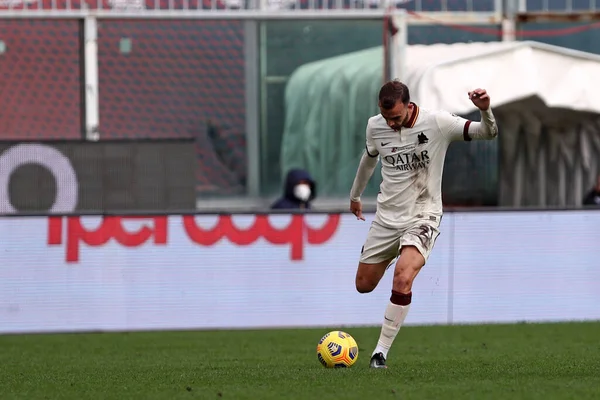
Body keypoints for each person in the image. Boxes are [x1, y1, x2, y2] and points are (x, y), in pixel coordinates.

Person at [349, 80, 498, 369]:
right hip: (387, 218)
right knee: (363, 285)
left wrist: (486, 110)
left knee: (403, 279)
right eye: (386, 117)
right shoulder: (375, 126)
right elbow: (368, 161)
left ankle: (380, 353)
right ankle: (397, 252)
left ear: (408, 104)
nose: (391, 124)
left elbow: (487, 133)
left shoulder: (438, 123)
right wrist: (355, 196)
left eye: (397, 117)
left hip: (423, 215)